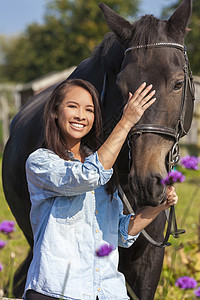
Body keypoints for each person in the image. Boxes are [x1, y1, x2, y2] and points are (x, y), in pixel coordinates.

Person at [23, 78, 178, 300]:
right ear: (55, 112)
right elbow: (88, 176)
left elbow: (119, 234)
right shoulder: (41, 163)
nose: (81, 116)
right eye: (72, 106)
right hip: (58, 290)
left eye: (89, 110)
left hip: (107, 292)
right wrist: (126, 122)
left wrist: (157, 207)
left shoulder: (104, 167)